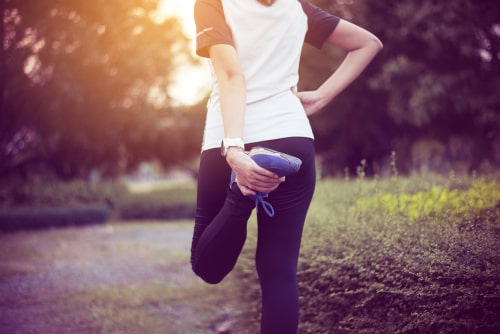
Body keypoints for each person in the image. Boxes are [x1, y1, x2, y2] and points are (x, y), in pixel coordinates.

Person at [189, 0, 382, 333]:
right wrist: (321, 96)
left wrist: (234, 149)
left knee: (207, 265)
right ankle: (242, 190)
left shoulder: (213, 3)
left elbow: (232, 74)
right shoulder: (297, 7)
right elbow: (368, 43)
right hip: (292, 140)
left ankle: (240, 193)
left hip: (230, 138)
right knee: (279, 273)